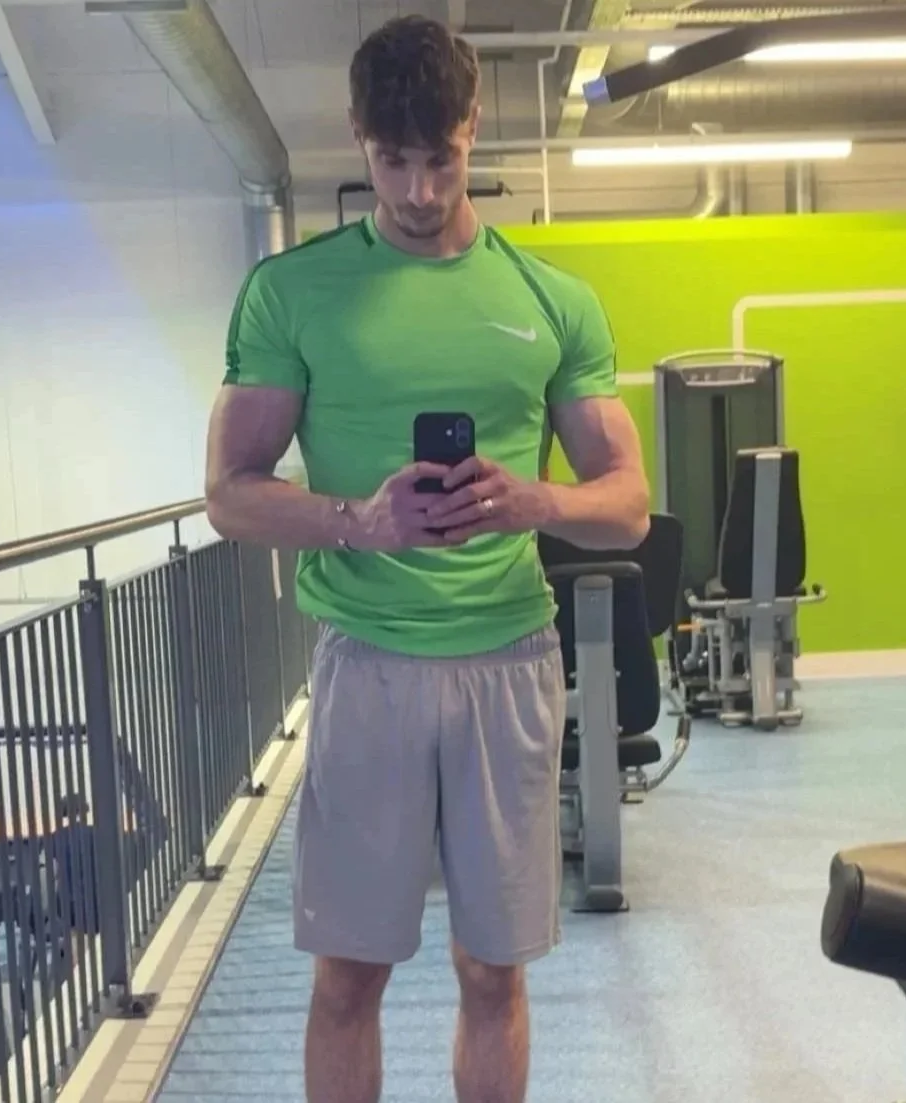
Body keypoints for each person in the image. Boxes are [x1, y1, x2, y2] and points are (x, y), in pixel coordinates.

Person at [203, 15, 650, 1103]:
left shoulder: (551, 301)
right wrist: (361, 520)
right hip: (371, 663)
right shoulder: (291, 293)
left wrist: (535, 498)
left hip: (508, 658)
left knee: (491, 967)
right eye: (390, 160)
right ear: (360, 138)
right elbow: (230, 493)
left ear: (471, 128)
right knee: (348, 973)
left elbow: (628, 505)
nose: (413, 188)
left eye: (437, 157)